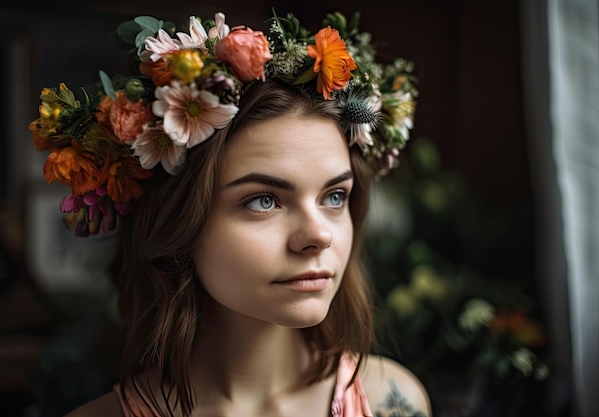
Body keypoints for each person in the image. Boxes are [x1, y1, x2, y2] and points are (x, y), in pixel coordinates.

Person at [29, 8, 430, 417]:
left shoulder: (392, 402)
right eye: (264, 200)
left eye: (334, 197)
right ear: (179, 223)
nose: (319, 235)